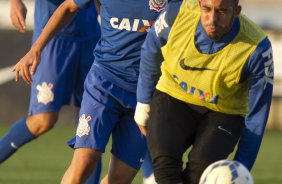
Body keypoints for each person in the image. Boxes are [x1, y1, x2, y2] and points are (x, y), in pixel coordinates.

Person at [11, 0, 169, 183]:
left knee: (120, 178)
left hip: (145, 94)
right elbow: (68, 7)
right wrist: (36, 49)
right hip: (104, 85)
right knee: (85, 160)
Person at [134, 0, 274, 183]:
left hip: (224, 113)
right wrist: (143, 101)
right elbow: (151, 48)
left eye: (222, 11)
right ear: (199, 4)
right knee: (165, 167)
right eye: (206, 9)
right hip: (173, 97)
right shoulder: (176, 14)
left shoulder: (257, 49)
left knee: (201, 173)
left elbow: (256, 118)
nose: (212, 19)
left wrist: (241, 169)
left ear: (236, 11)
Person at [0, 0, 101, 183]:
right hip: (52, 39)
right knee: (43, 119)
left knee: (93, 121)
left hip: (91, 37)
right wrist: (15, 2)